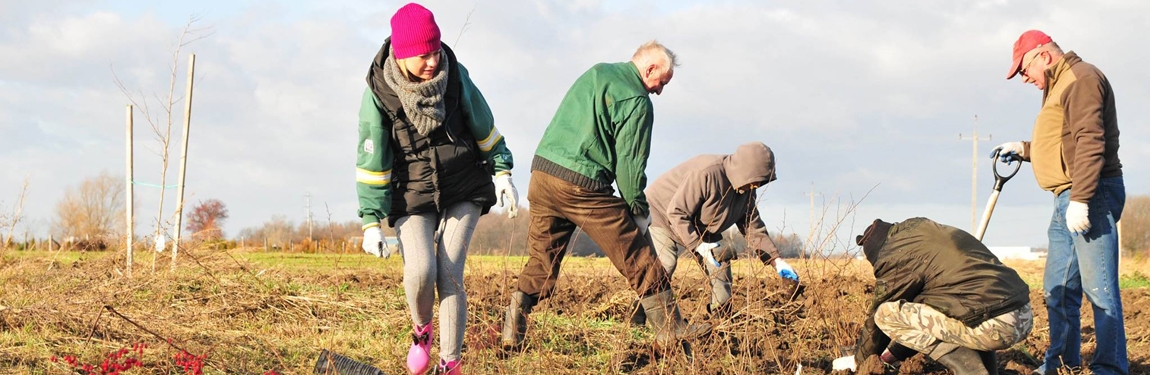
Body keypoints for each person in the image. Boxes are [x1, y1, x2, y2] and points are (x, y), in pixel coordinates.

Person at [501, 40, 711, 351]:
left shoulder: (597, 73)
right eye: (660, 82)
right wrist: (637, 209)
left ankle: (511, 327)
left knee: (543, 259)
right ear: (650, 68)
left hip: (542, 176)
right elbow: (629, 164)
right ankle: (670, 326)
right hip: (582, 185)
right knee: (637, 252)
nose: (659, 91)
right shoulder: (637, 100)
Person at [355, 3, 518, 374]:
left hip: (463, 185)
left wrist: (502, 171)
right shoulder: (380, 92)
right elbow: (372, 161)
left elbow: (484, 125)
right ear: (401, 53)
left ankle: (450, 364)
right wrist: (370, 221)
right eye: (422, 54)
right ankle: (421, 329)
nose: (432, 60)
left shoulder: (455, 75)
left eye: (435, 49)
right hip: (411, 193)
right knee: (420, 271)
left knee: (448, 272)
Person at [994, 29, 1127, 375]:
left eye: (1023, 70)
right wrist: (1023, 150)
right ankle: (1061, 365)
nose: (1024, 79)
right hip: (1066, 198)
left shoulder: (1081, 79)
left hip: (1089, 194)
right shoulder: (1059, 85)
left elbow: (1089, 142)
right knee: (1057, 289)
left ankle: (1110, 369)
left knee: (1100, 291)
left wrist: (1081, 199)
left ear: (1044, 55)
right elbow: (1062, 141)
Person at [832, 218, 1033, 375]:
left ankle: (969, 369)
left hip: (995, 325)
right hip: (1021, 316)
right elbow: (932, 320)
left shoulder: (895, 258)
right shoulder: (923, 235)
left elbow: (879, 319)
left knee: (885, 314)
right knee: (963, 312)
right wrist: (895, 353)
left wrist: (861, 361)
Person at [628, 141, 799, 326]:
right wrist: (697, 244)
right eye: (756, 178)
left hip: (701, 225)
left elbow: (753, 228)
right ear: (745, 170)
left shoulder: (747, 191)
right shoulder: (706, 173)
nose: (758, 185)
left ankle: (721, 318)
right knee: (666, 264)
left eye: (762, 180)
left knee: (720, 260)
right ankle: (638, 315)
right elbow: (676, 212)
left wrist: (777, 261)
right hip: (662, 215)